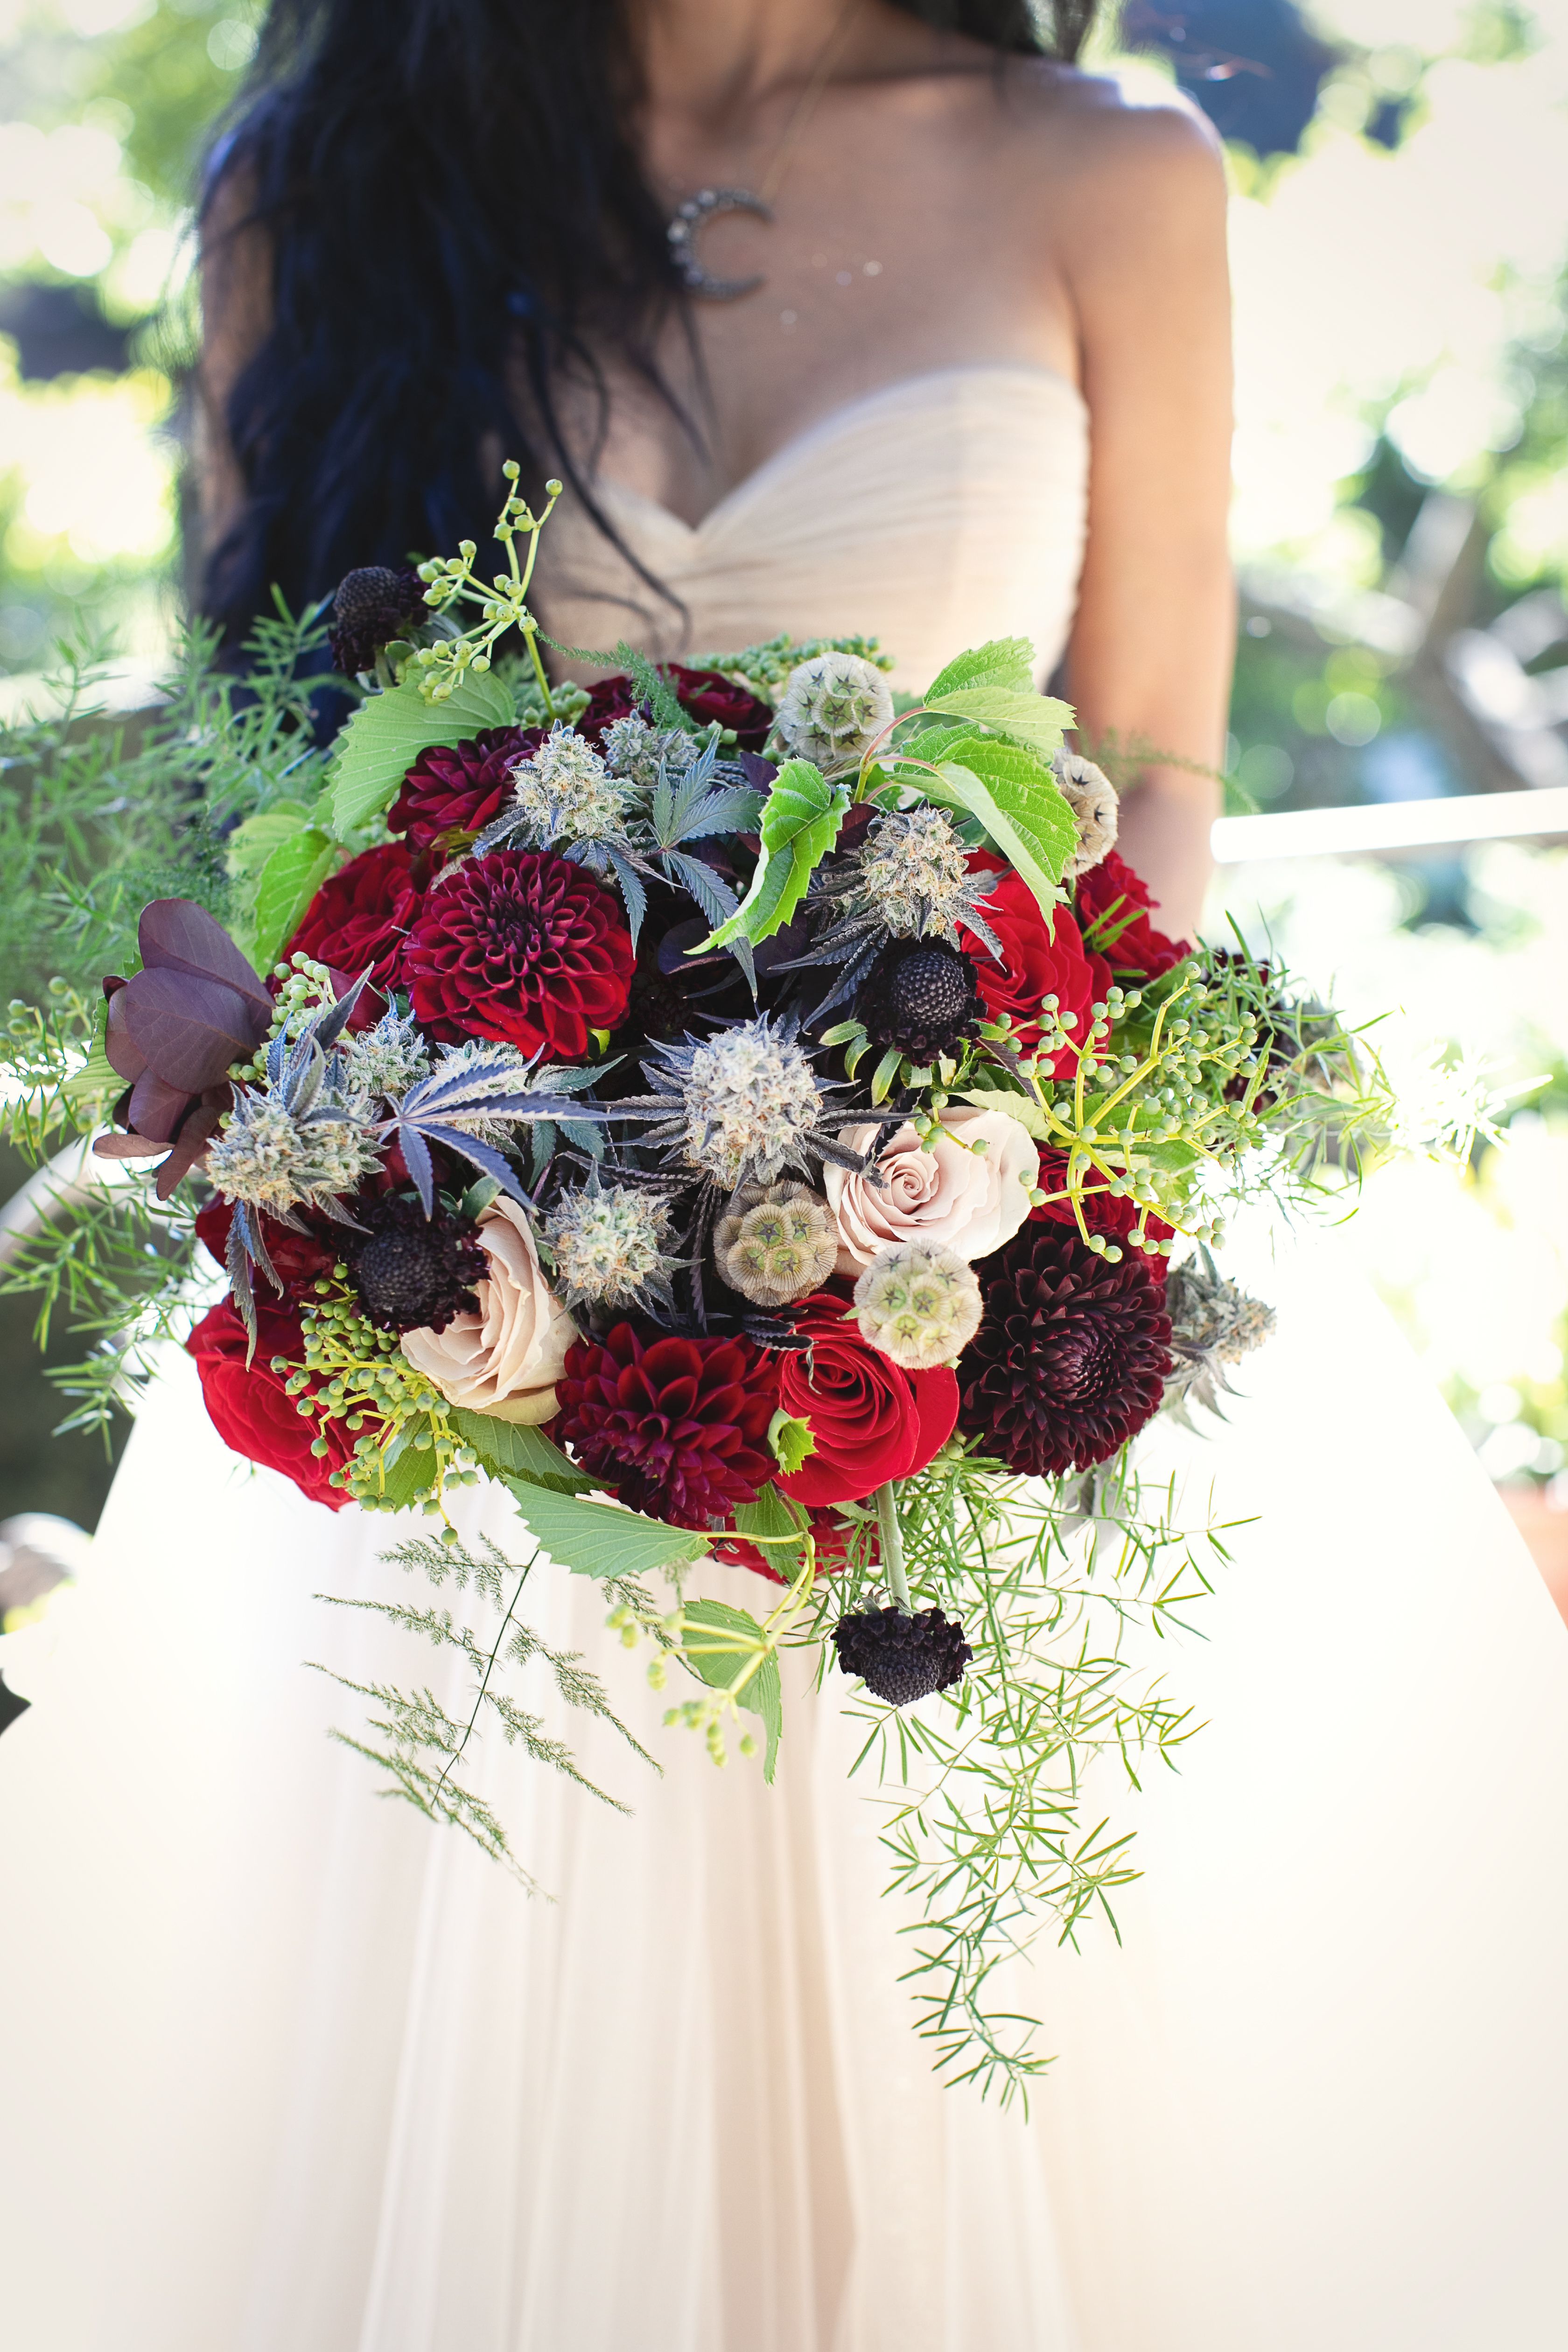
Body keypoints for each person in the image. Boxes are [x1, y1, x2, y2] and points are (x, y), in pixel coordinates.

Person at [3, 6, 1567, 2348]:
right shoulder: (322, 186)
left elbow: (1152, 775)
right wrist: (499, 1251)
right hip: (466, 1323)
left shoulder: (1106, 174)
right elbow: (269, 796)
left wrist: (973, 1179)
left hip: (974, 1274)